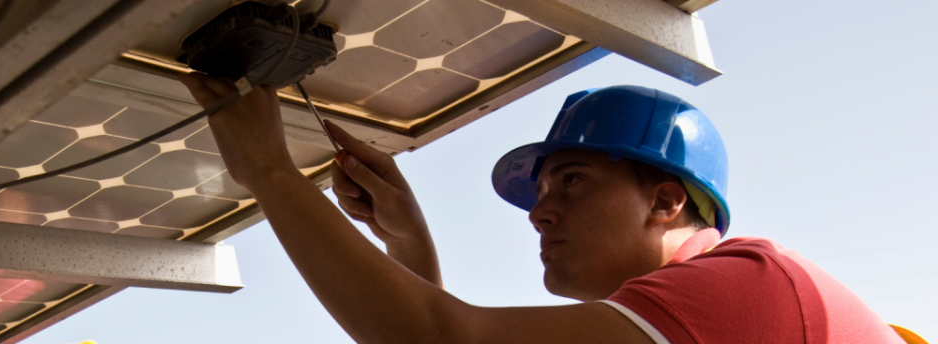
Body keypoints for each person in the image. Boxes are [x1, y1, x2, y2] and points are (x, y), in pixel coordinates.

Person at [178, 74, 917, 343]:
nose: (539, 212)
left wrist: (270, 170)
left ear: (664, 201)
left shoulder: (747, 287)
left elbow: (440, 343)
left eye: (570, 183)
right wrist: (408, 242)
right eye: (538, 192)